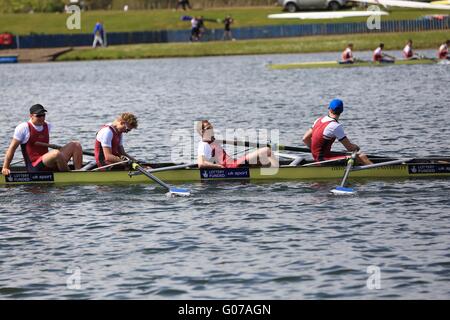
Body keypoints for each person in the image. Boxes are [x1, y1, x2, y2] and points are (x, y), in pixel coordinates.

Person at [1, 104, 83, 175]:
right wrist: (5, 167)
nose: (42, 118)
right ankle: (69, 175)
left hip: (47, 162)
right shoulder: (23, 128)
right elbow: (11, 148)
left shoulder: (47, 125)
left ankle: (79, 173)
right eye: (38, 116)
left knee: (75, 145)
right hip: (34, 167)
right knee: (56, 153)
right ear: (31, 116)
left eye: (43, 115)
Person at [302, 99, 372, 165]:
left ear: (329, 109)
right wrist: (357, 147)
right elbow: (350, 148)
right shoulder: (335, 126)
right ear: (341, 111)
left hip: (317, 157)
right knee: (361, 156)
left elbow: (305, 138)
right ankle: (378, 172)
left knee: (347, 154)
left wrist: (315, 151)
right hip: (323, 159)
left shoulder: (318, 120)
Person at [196, 120, 278, 169]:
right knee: (266, 150)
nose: (212, 129)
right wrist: (219, 167)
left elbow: (229, 142)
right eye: (208, 128)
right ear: (202, 132)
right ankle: (278, 171)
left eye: (212, 127)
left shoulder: (212, 141)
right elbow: (201, 164)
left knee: (261, 161)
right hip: (232, 167)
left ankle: (273, 169)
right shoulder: (203, 145)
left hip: (234, 163)